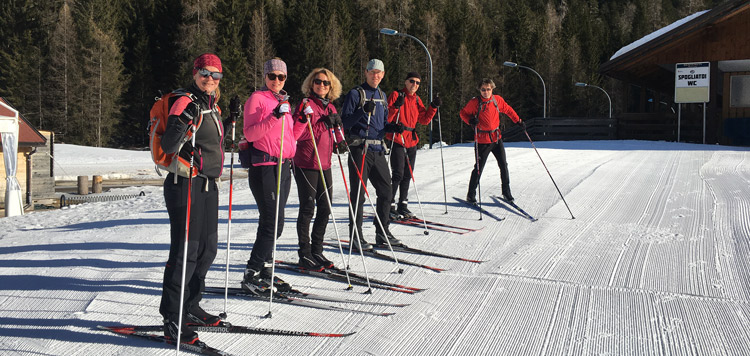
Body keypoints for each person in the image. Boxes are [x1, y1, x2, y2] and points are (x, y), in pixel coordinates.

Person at [159, 53, 226, 344]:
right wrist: (183, 121)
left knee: (207, 249)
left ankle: (191, 306)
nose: (209, 78)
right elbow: (169, 144)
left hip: (208, 184)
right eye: (204, 72)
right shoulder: (185, 101)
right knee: (186, 252)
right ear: (195, 72)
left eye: (215, 74)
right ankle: (172, 318)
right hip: (184, 182)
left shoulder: (213, 105)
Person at [241, 58, 306, 294]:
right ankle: (252, 271)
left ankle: (266, 269)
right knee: (270, 221)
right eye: (272, 76)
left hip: (284, 166)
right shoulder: (257, 99)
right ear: (265, 77)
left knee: (277, 223)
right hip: (265, 166)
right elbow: (250, 134)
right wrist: (275, 116)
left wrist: (302, 121)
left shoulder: (283, 102)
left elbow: (291, 136)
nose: (277, 81)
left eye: (281, 77)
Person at [340, 58, 402, 249]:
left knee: (387, 191)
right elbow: (345, 123)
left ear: (383, 75)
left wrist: (393, 127)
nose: (375, 76)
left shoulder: (382, 96)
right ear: (366, 72)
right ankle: (355, 236)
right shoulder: (355, 94)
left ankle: (382, 232)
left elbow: (381, 126)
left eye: (379, 73)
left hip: (377, 149)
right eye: (372, 72)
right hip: (360, 149)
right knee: (358, 194)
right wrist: (361, 112)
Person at [292, 68, 344, 270]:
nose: (321, 85)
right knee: (307, 208)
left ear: (331, 86)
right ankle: (304, 254)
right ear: (311, 83)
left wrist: (340, 136)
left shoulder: (330, 107)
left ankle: (317, 250)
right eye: (318, 82)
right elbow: (300, 134)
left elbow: (335, 134)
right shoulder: (305, 105)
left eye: (325, 83)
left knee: (326, 207)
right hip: (306, 162)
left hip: (325, 163)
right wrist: (323, 124)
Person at [459, 78, 524, 204]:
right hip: (482, 140)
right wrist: (470, 121)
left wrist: (518, 121)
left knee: (503, 165)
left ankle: (506, 192)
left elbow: (508, 110)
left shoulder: (497, 100)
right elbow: (463, 113)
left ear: (492, 89)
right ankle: (471, 195)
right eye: (483, 89)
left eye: (488, 89)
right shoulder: (475, 102)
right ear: (480, 90)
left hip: (496, 138)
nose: (486, 92)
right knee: (478, 168)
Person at [386, 72, 440, 220]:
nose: (414, 85)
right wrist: (396, 106)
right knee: (398, 173)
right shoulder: (396, 95)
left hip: (411, 140)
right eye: (412, 81)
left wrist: (433, 107)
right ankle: (389, 205)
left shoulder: (416, 99)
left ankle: (402, 204)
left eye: (417, 82)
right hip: (398, 138)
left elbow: (423, 120)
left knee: (408, 174)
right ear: (405, 81)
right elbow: (388, 118)